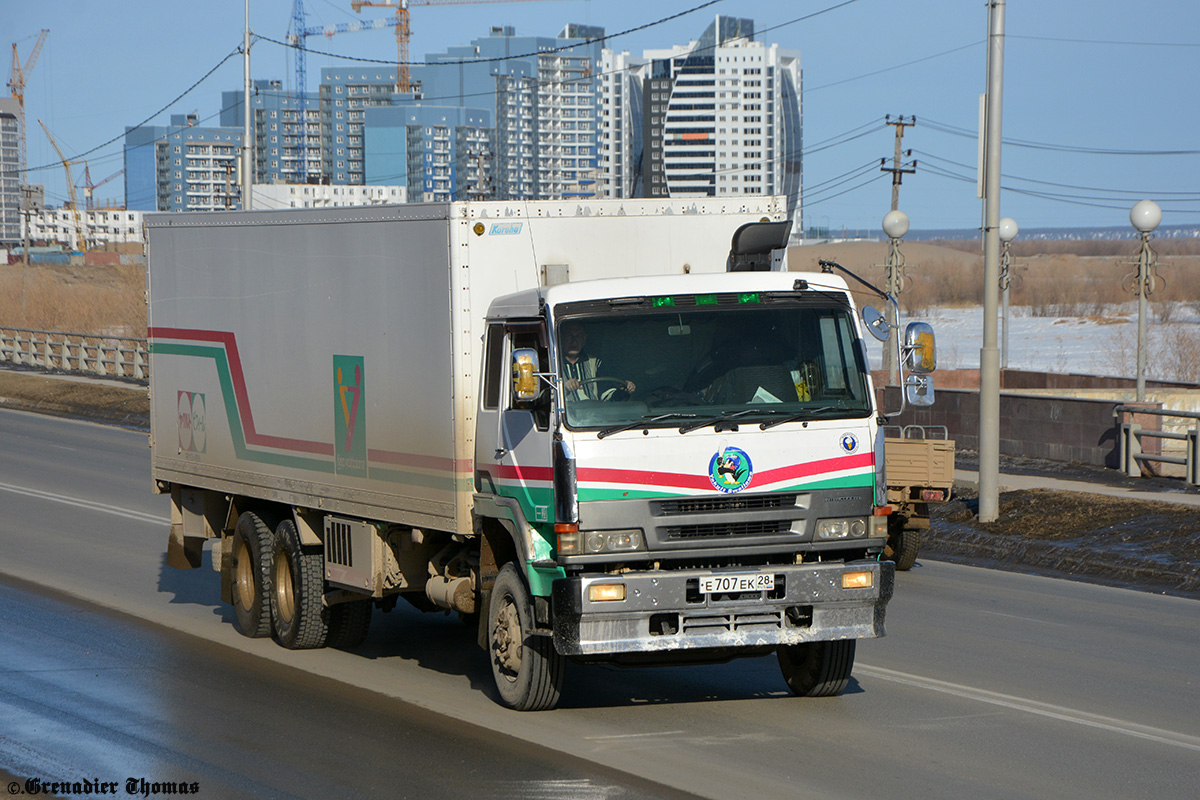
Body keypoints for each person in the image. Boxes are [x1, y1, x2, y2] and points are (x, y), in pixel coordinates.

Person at [560, 323, 635, 401]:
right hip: (566, 412)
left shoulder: (595, 362)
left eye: (579, 336)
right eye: (569, 335)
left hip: (594, 410)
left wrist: (624, 390)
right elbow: (548, 396)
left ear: (584, 339)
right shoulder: (552, 366)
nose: (574, 341)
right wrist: (564, 388)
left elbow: (605, 391)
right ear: (561, 337)